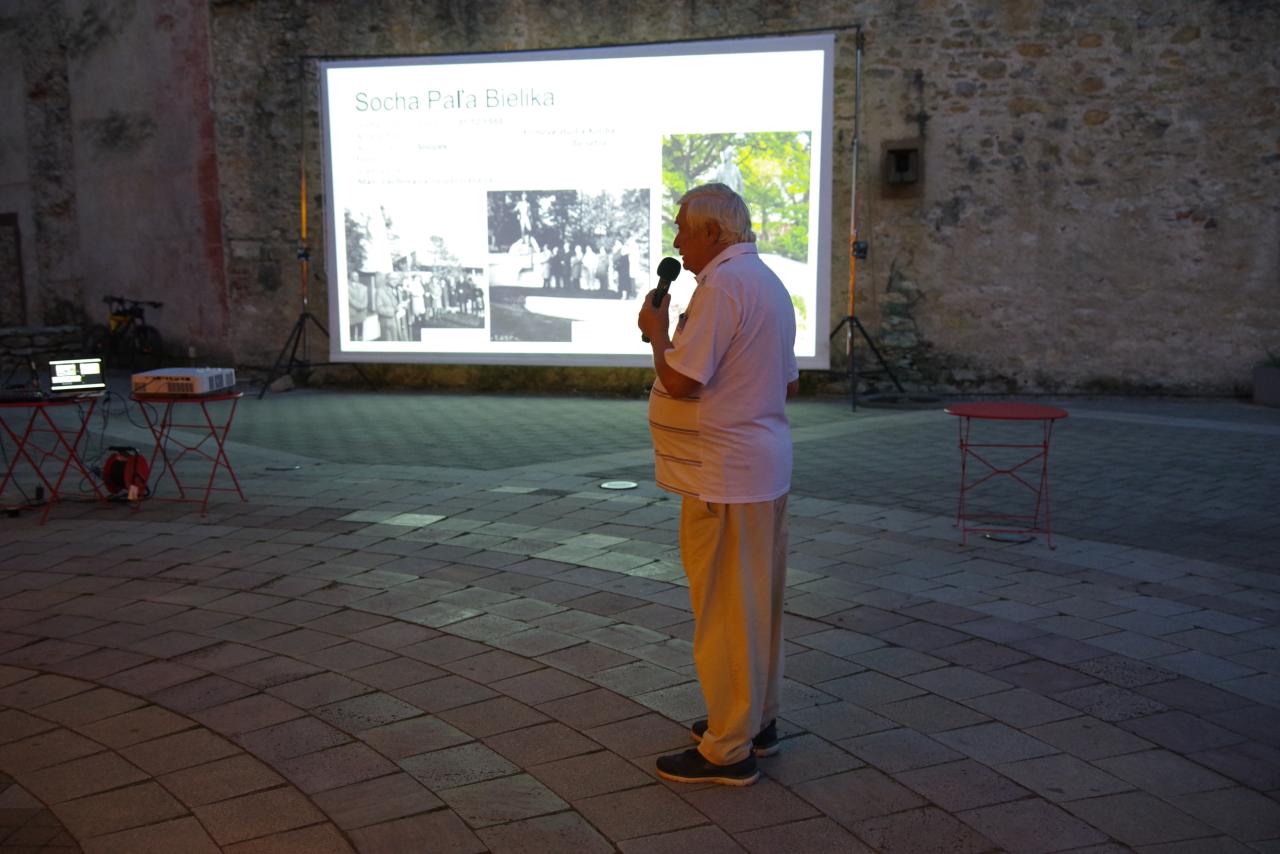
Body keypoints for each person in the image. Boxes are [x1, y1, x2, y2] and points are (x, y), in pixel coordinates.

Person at [636, 183, 798, 787]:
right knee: (757, 604)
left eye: (682, 227)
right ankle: (756, 720)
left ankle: (728, 749)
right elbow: (789, 383)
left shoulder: (723, 286)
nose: (677, 240)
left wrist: (657, 331)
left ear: (710, 231)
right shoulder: (767, 282)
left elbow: (682, 380)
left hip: (725, 476)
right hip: (760, 469)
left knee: (726, 611)